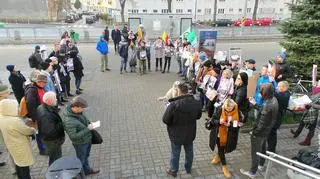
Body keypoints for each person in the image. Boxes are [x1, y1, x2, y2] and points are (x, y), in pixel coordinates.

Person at [163, 83, 202, 177]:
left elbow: (165, 120)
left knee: (175, 153)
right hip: (190, 133)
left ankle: (173, 171)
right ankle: (188, 169)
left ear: (179, 92)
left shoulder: (173, 105)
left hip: (176, 134)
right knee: (189, 151)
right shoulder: (196, 102)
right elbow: (198, 116)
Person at [240, 83, 279, 178]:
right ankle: (261, 165)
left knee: (255, 152)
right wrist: (255, 104)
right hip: (267, 131)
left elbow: (261, 124)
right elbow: (264, 111)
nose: (259, 94)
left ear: (265, 93)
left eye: (260, 92)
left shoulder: (267, 105)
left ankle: (252, 172)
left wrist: (254, 133)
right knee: (262, 148)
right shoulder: (273, 99)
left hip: (260, 132)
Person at [62, 97, 100, 175]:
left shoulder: (78, 112)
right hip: (80, 143)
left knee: (85, 156)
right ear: (75, 107)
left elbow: (84, 119)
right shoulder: (69, 121)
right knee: (80, 160)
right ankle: (80, 175)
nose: (83, 110)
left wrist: (89, 123)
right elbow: (74, 136)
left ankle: (87, 171)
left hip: (86, 139)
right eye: (82, 108)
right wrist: (87, 129)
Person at [0, 99, 36, 179]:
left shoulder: (2, 117)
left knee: (18, 165)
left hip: (11, 145)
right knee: (24, 167)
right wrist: (33, 130)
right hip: (20, 147)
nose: (17, 108)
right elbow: (26, 131)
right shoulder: (14, 121)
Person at [210, 99, 242, 178]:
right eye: (226, 108)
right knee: (221, 148)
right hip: (219, 134)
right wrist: (219, 122)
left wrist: (230, 125)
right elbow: (212, 120)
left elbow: (237, 126)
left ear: (233, 106)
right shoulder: (220, 109)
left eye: (229, 108)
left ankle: (218, 156)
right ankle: (224, 166)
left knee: (223, 148)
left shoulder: (237, 112)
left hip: (230, 135)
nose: (227, 109)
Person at [37, 92, 65, 166]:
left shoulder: (41, 107)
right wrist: (62, 124)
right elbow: (50, 131)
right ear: (48, 101)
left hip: (49, 140)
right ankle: (55, 175)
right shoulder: (46, 114)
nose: (56, 99)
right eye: (54, 98)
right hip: (52, 141)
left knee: (54, 158)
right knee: (55, 159)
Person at [24, 73, 48, 155]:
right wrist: (35, 118)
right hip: (38, 116)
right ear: (37, 81)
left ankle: (44, 147)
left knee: (42, 132)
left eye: (45, 82)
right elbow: (30, 104)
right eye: (41, 82)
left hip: (42, 114)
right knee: (39, 133)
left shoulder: (40, 88)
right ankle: (42, 149)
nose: (43, 84)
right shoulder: (32, 90)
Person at [264, 81, 290, 154]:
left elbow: (277, 96)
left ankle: (271, 151)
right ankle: (270, 148)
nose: (277, 88)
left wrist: (269, 89)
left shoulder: (286, 95)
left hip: (276, 119)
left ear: (284, 88)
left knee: (272, 134)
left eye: (279, 86)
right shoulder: (282, 94)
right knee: (270, 134)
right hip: (274, 117)